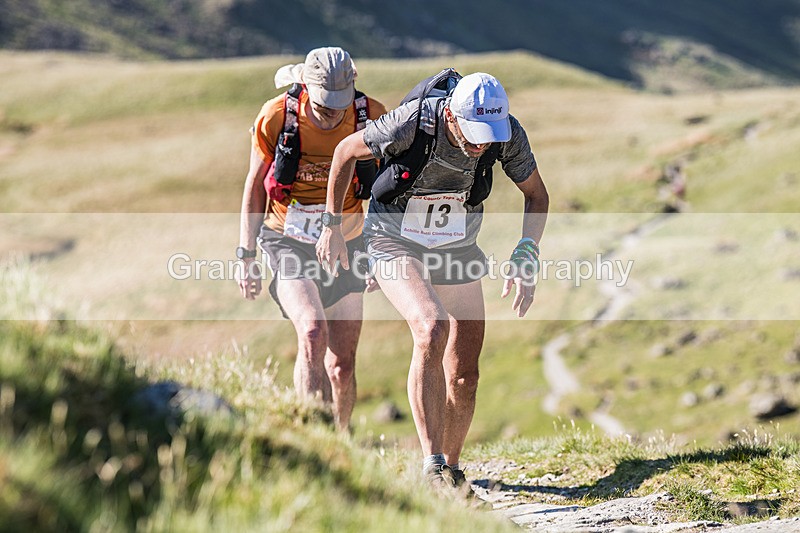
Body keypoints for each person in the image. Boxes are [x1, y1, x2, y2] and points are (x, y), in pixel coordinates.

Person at [316, 72, 549, 489]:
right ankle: (432, 465)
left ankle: (452, 475)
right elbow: (344, 152)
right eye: (474, 133)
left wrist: (526, 251)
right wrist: (332, 226)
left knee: (465, 374)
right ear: (452, 116)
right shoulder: (412, 122)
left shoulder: (506, 133)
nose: (482, 144)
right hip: (391, 240)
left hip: (456, 248)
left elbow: (537, 195)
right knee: (431, 326)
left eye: (488, 135)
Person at [236, 47, 387, 430]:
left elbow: (389, 191)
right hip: (287, 239)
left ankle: (342, 440)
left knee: (341, 364)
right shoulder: (275, 117)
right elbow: (254, 186)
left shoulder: (372, 116)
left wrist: (377, 252)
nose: (332, 114)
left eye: (339, 105)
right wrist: (245, 253)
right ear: (304, 85)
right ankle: (314, 438)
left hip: (350, 243)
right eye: (323, 106)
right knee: (312, 331)